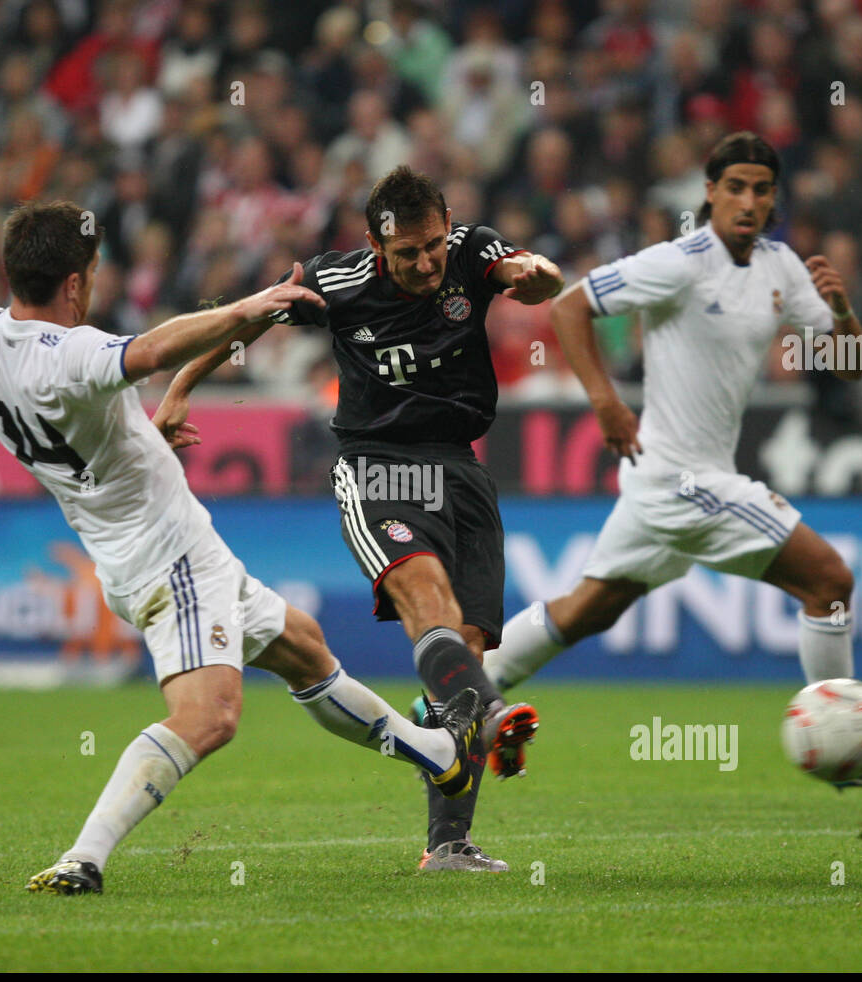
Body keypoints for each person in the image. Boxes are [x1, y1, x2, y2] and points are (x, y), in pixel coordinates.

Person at [0, 200, 489, 895]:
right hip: (167, 558)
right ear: (77, 281)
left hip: (148, 548)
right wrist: (249, 307)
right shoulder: (75, 351)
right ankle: (83, 856)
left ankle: (439, 757)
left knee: (302, 645)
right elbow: (150, 348)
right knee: (210, 716)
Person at [483, 132, 862, 794]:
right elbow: (571, 302)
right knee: (829, 580)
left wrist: (841, 311)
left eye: (761, 188)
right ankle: (852, 750)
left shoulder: (780, 267)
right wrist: (606, 402)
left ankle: (466, 689)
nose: (748, 201)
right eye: (736, 187)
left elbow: (855, 364)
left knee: (586, 610)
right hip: (681, 478)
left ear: (774, 198)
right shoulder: (680, 261)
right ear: (711, 192)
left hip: (663, 481)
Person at [155, 166, 561, 872]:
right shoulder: (335, 282)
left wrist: (537, 275)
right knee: (428, 602)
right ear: (378, 247)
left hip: (462, 471)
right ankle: (492, 713)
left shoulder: (471, 251)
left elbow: (535, 272)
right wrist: (183, 384)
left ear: (446, 225)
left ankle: (448, 845)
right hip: (379, 468)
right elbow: (253, 315)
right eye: (408, 253)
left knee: (462, 652)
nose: (426, 262)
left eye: (432, 244)